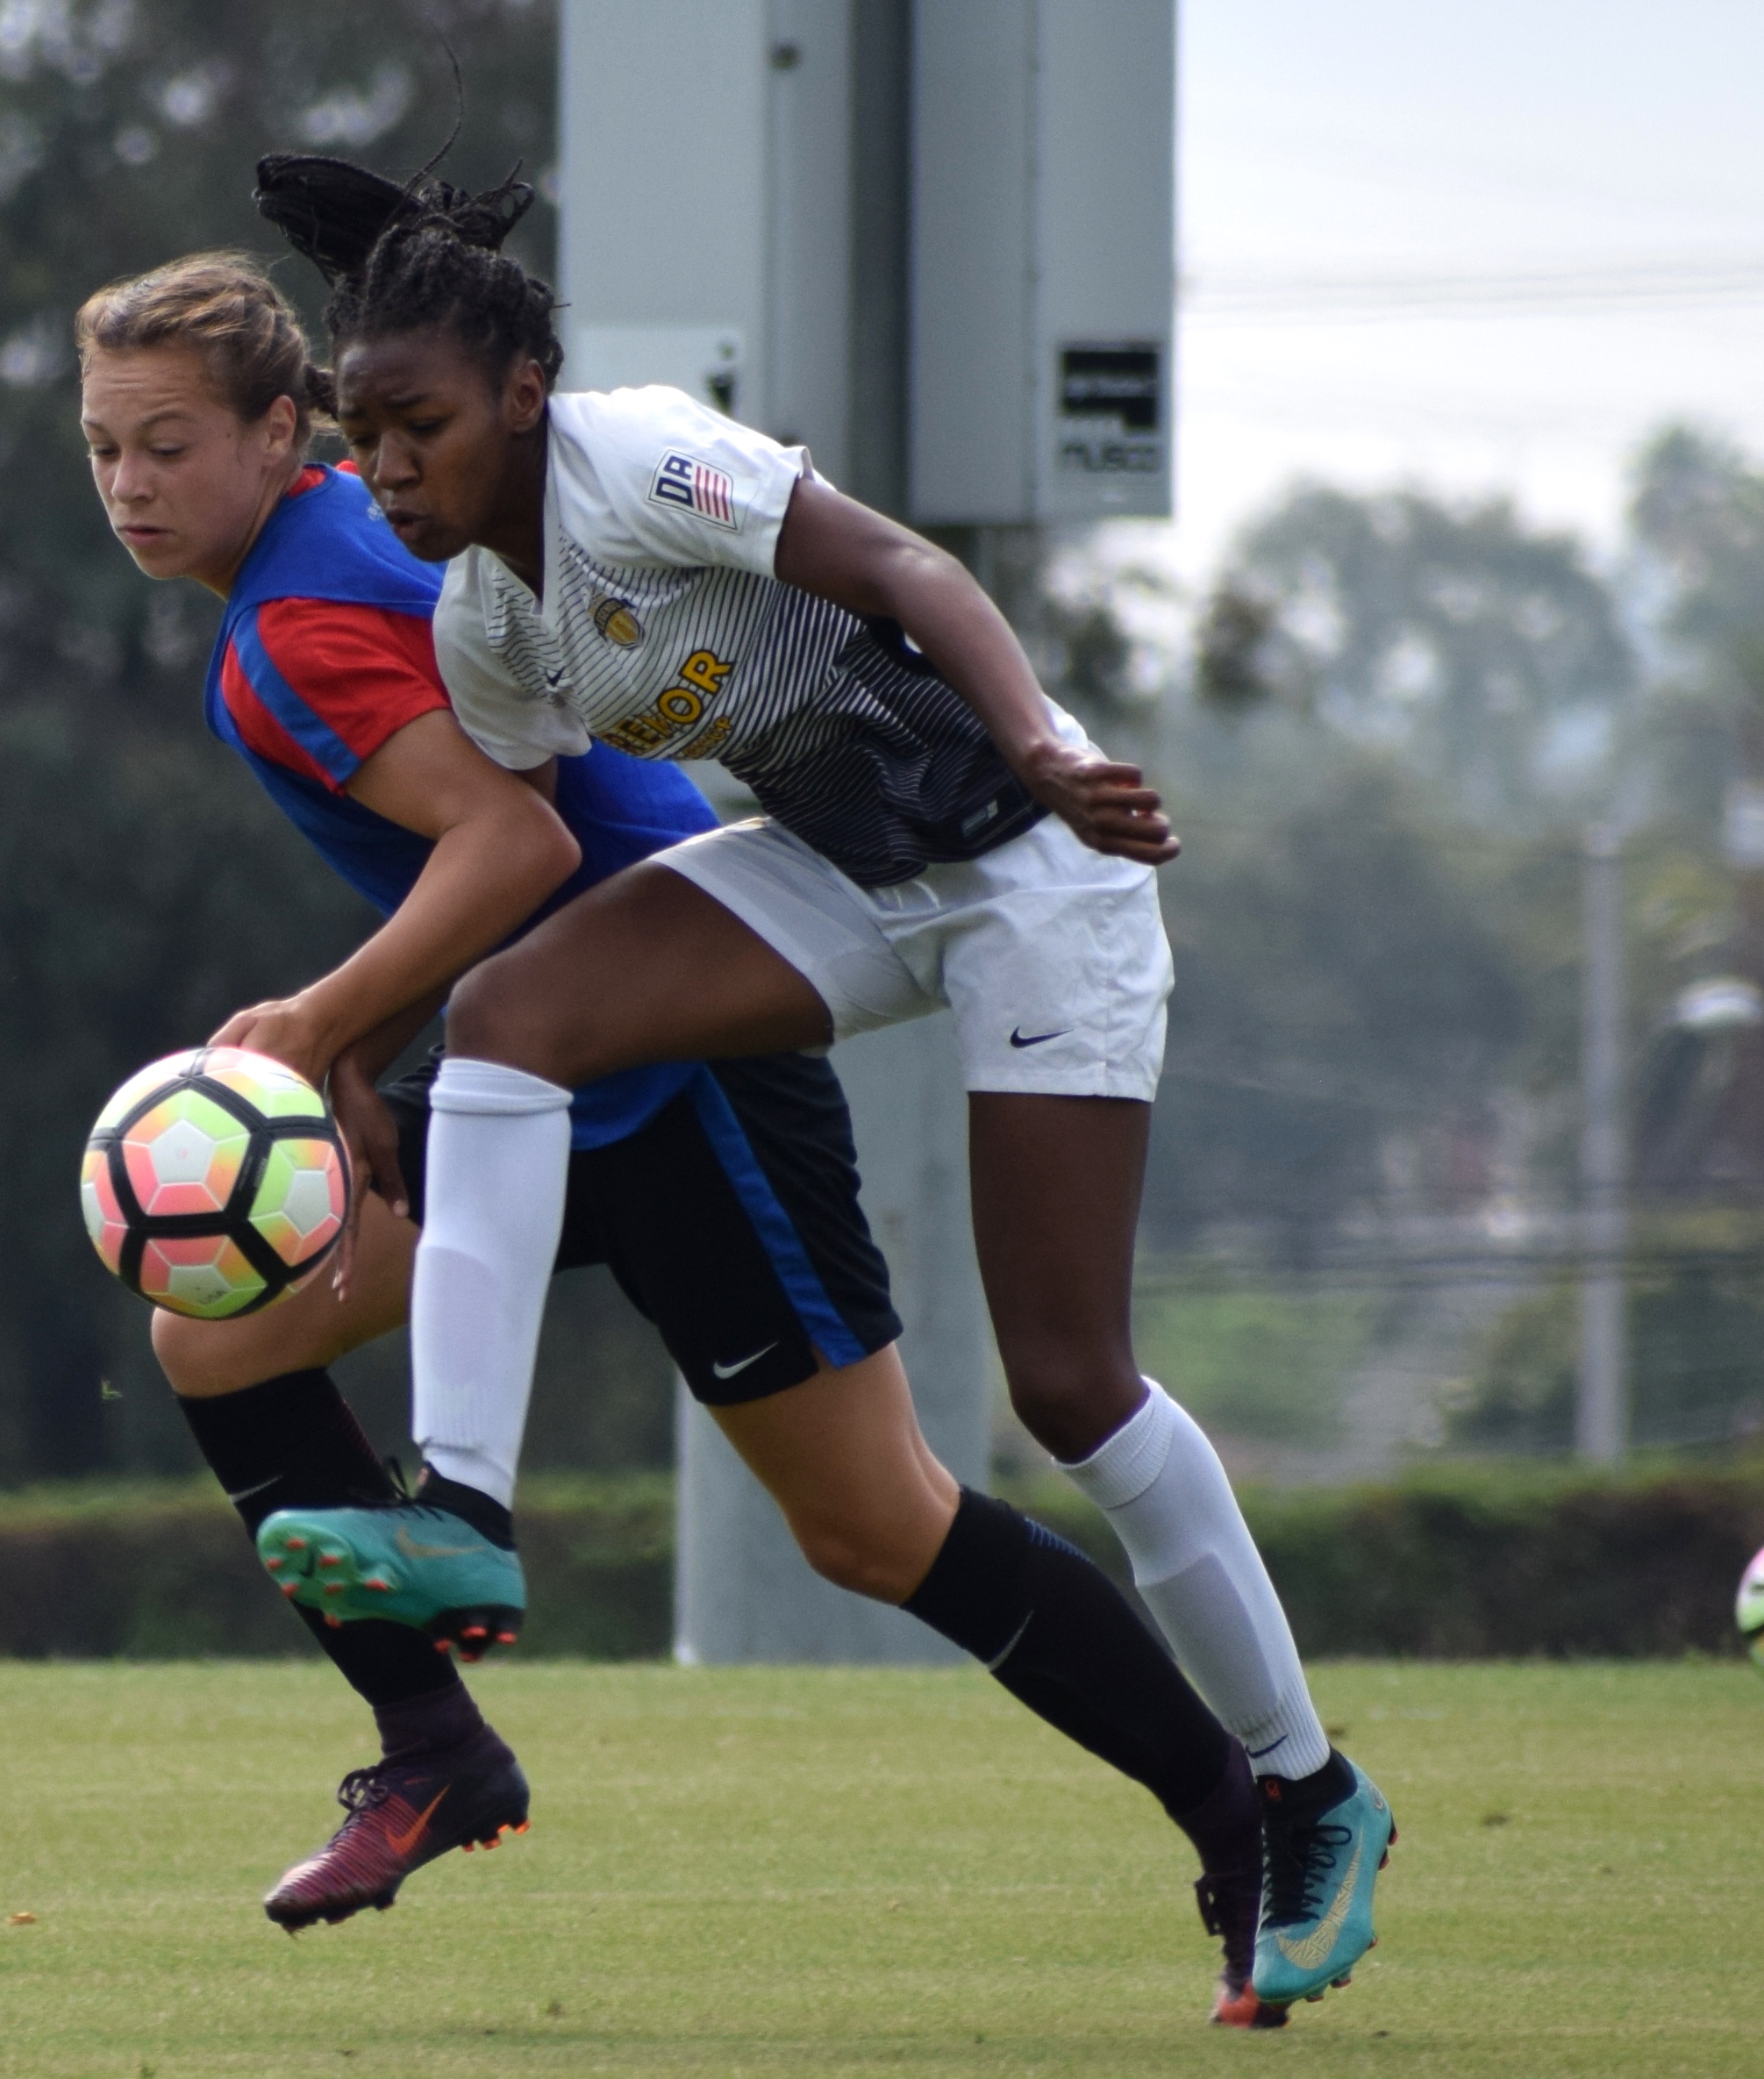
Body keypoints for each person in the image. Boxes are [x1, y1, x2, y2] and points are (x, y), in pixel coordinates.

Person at [239, 153, 1391, 2009]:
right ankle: (458, 1505)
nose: (384, 469)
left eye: (418, 426)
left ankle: (1311, 1792)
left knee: (1071, 1390)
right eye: (361, 434)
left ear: (523, 394)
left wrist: (1038, 743)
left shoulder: (634, 457)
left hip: (1035, 867)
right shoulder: (488, 623)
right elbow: (522, 852)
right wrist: (357, 1050)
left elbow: (904, 569)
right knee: (514, 1024)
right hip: (853, 875)